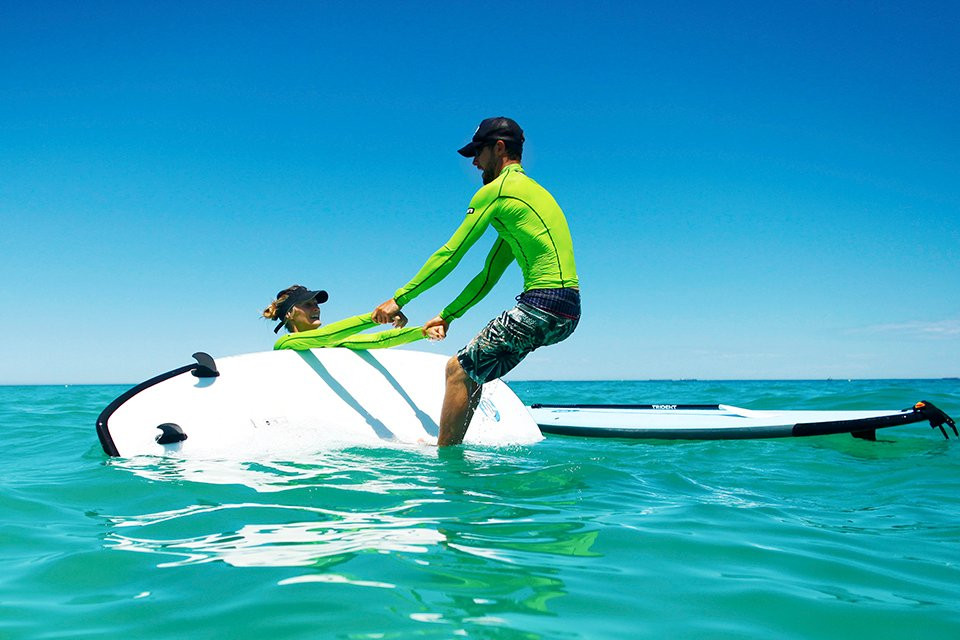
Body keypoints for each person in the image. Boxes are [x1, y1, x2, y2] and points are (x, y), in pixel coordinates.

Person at [372, 117, 580, 446]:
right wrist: (449, 315)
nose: (473, 161)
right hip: (566, 313)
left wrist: (400, 299)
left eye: (478, 152)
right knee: (474, 372)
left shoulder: (496, 192)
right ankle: (456, 448)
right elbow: (488, 273)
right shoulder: (533, 196)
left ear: (499, 148)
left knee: (457, 369)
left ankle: (447, 465)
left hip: (540, 305)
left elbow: (451, 254)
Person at [264, 285, 427, 350]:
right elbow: (326, 336)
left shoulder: (333, 344)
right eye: (307, 304)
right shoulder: (286, 344)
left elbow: (379, 339)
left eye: (316, 303)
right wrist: (377, 317)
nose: (316, 308)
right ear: (289, 314)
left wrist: (425, 331)